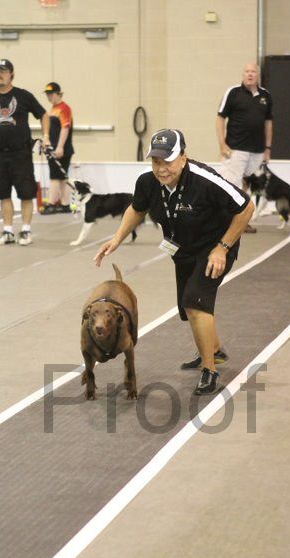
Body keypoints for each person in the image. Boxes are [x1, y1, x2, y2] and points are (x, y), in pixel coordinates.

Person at [93, 129, 254, 395]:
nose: (161, 168)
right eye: (156, 162)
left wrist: (222, 248)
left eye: (167, 161)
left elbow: (246, 207)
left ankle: (209, 369)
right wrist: (117, 239)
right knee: (186, 307)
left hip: (215, 245)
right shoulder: (147, 183)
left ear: (183, 157)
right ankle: (214, 350)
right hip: (183, 248)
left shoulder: (205, 180)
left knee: (195, 302)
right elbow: (137, 208)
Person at [0, 58, 50, 246]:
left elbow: (43, 114)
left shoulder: (23, 96)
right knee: (2, 193)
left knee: (26, 193)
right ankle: (7, 231)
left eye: (3, 71)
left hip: (21, 153)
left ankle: (25, 231)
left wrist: (46, 135)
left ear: (11, 74)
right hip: (0, 154)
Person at [216, 62, 273, 233]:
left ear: (258, 75)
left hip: (257, 150)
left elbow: (268, 122)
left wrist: (267, 148)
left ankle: (241, 220)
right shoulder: (233, 93)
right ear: (243, 75)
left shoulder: (266, 96)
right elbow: (220, 119)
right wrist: (222, 144)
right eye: (247, 71)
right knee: (229, 185)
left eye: (253, 71)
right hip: (235, 149)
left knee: (246, 185)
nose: (250, 74)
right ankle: (223, 224)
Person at [41, 82, 74, 214]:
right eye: (47, 94)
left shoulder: (64, 108)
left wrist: (60, 147)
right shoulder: (53, 109)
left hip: (61, 149)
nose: (49, 97)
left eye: (51, 94)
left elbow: (65, 127)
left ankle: (51, 204)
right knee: (61, 177)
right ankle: (65, 204)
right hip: (54, 148)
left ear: (58, 93)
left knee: (55, 176)